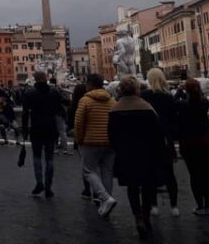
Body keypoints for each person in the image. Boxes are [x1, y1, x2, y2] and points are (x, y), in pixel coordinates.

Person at [109, 76, 168, 239]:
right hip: (147, 153)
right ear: (137, 89)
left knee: (132, 187)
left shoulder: (115, 110)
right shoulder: (147, 108)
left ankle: (138, 216)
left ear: (120, 90)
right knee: (148, 185)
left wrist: (120, 150)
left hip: (126, 154)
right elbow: (158, 134)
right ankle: (146, 213)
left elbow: (112, 136)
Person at [74, 74, 117, 218]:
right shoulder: (112, 100)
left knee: (88, 170)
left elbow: (78, 123)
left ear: (90, 84)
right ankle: (106, 202)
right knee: (107, 172)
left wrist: (79, 139)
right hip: (109, 142)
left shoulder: (85, 100)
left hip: (91, 141)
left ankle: (105, 198)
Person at [141, 68, 179, 217]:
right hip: (165, 140)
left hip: (149, 140)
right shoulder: (169, 97)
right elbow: (174, 120)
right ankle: (174, 206)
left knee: (150, 174)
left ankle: (153, 205)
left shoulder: (144, 96)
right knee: (170, 174)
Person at [176, 78, 209, 216]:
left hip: (188, 141)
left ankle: (199, 206)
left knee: (194, 175)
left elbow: (176, 103)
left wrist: (180, 91)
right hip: (204, 140)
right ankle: (208, 206)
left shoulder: (181, 105)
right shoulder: (205, 102)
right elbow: (199, 100)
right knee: (206, 174)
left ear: (186, 89)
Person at [22, 71, 63, 198]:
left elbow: (25, 113)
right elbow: (59, 109)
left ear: (34, 79)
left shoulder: (29, 93)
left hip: (36, 128)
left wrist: (24, 131)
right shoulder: (54, 92)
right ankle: (48, 186)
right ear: (45, 78)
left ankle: (39, 182)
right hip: (50, 127)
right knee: (50, 158)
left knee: (37, 157)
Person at [68, 79, 91, 200]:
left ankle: (88, 190)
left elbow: (70, 125)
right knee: (98, 167)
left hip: (82, 140)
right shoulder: (93, 102)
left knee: (85, 165)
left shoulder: (74, 107)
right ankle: (100, 192)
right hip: (97, 138)